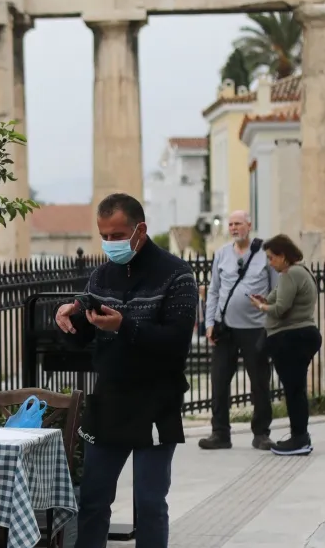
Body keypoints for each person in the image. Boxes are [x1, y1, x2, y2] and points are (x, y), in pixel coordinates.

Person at [54, 193, 196, 548]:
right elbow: (85, 335)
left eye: (117, 235)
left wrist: (124, 326)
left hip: (156, 400)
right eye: (104, 235)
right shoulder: (102, 276)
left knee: (149, 503)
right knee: (93, 498)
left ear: (140, 230)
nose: (110, 243)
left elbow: (176, 341)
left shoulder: (176, 274)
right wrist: (69, 320)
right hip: (109, 400)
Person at [200, 210, 277, 451]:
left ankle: (261, 433)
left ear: (249, 226)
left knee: (260, 382)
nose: (234, 228)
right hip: (225, 328)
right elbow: (214, 290)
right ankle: (220, 433)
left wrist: (271, 321)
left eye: (238, 224)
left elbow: (276, 290)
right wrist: (209, 323)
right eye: (231, 224)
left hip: (256, 328)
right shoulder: (222, 253)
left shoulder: (265, 253)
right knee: (219, 381)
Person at [248, 234, 321, 456]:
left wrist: (262, 308)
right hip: (300, 336)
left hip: (292, 338)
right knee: (296, 389)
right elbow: (278, 299)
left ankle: (300, 439)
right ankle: (300, 436)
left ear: (283, 256)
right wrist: (265, 300)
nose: (270, 263)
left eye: (272, 258)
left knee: (294, 391)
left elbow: (280, 309)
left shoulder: (291, 274)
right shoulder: (301, 271)